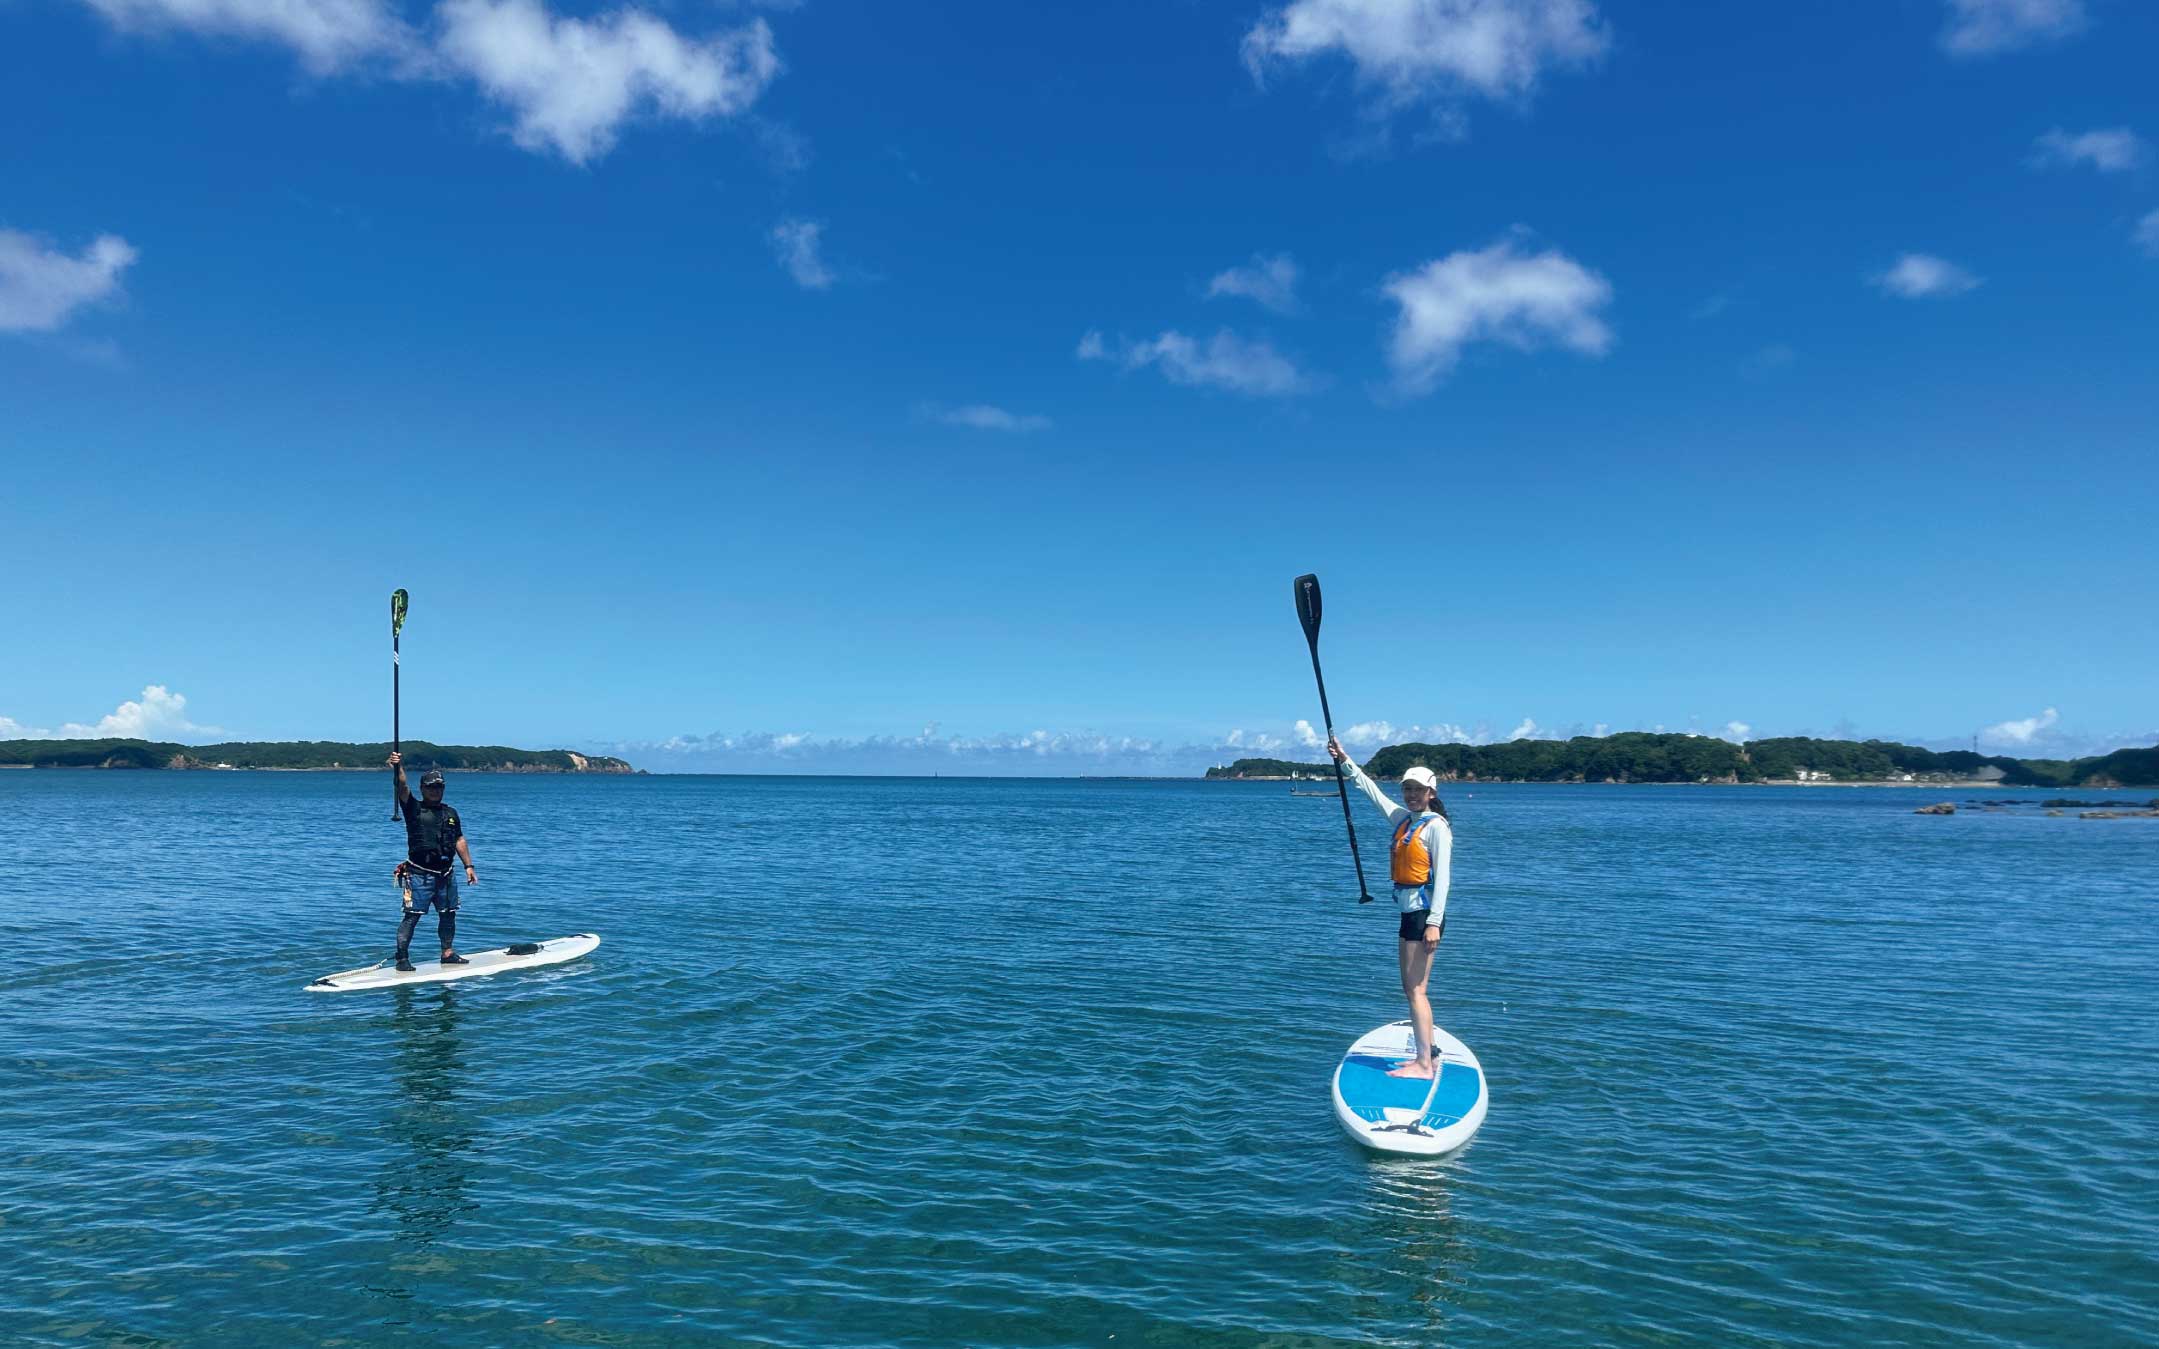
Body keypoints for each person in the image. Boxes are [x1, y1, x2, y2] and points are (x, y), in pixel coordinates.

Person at [1328, 736, 1452, 1080]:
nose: (1412, 795)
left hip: (1423, 916)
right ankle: (1425, 1056)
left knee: (1416, 990)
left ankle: (1425, 1064)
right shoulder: (1403, 820)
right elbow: (1371, 792)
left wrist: (1434, 924)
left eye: (1418, 790)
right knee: (1411, 989)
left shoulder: (1436, 828)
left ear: (1431, 793)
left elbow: (1442, 880)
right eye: (1407, 789)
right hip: (1408, 914)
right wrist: (1345, 760)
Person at [388, 751, 478, 972]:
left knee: (449, 914)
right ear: (423, 788)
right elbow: (401, 787)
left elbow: (459, 839)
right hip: (419, 874)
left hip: (446, 874)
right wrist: (397, 766)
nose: (435, 790)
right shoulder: (413, 809)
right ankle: (401, 958)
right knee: (412, 917)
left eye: (439, 786)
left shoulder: (451, 813)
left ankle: (447, 953)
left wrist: (469, 866)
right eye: (431, 787)